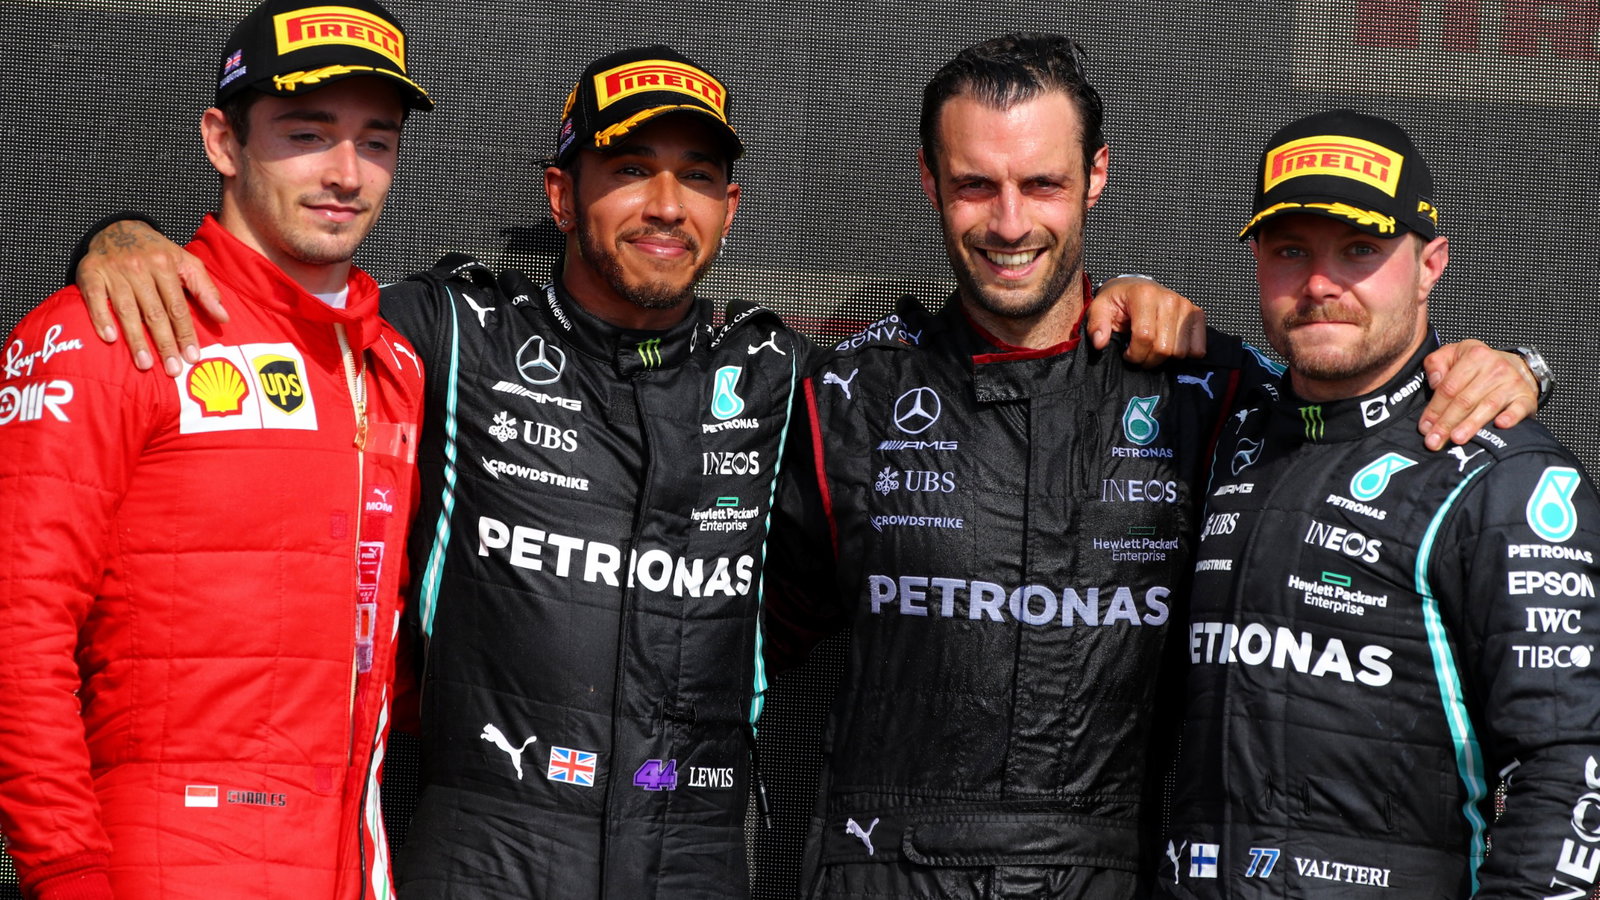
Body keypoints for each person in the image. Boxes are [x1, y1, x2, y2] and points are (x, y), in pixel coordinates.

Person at [758, 34, 1544, 899]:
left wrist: (1508, 371)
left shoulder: (1206, 389)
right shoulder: (846, 396)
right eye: (977, 184)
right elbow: (723, 649)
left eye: (1044, 184)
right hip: (880, 876)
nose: (1011, 222)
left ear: (1097, 175)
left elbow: (1362, 393)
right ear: (929, 181)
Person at [0, 0, 433, 897]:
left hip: (347, 859)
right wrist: (70, 873)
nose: (346, 173)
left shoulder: (391, 362)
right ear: (222, 141)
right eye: (307, 134)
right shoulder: (109, 328)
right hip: (155, 866)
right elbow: (17, 629)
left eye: (376, 141)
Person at [1156, 110, 1600, 898]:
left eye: (1360, 250)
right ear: (1256, 258)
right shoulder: (1221, 420)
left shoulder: (1510, 476)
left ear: (1431, 264)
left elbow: (1573, 764)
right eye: (1291, 250)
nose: (1320, 283)